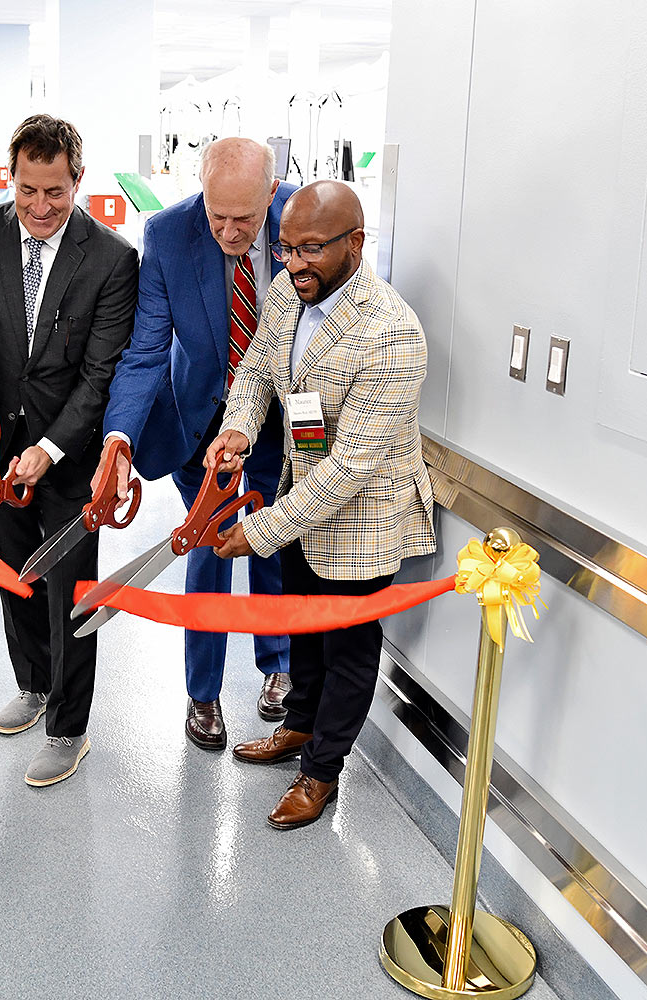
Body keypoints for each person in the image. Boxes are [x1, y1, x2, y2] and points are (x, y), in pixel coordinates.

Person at [204, 180, 436, 830]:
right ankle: (299, 727)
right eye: (285, 249)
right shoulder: (288, 290)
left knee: (348, 649)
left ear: (355, 243)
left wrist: (263, 532)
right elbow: (255, 368)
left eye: (310, 249)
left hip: (362, 517)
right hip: (298, 495)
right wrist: (240, 429)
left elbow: (351, 468)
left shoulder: (391, 336)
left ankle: (322, 772)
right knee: (302, 621)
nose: (294, 264)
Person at [0, 114, 138, 787]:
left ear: (77, 180)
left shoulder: (111, 259)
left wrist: (51, 449)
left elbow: (99, 376)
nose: (41, 207)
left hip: (70, 453)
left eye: (55, 192)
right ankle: (34, 684)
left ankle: (69, 727)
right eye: (27, 190)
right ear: (10, 177)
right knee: (11, 570)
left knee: (70, 592)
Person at [93, 137, 295, 754]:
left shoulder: (306, 218)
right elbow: (147, 349)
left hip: (284, 422)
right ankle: (203, 694)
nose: (231, 232)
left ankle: (278, 669)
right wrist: (120, 436)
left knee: (272, 539)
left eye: (246, 218)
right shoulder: (168, 234)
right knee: (210, 546)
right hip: (202, 421)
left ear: (271, 195)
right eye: (218, 216)